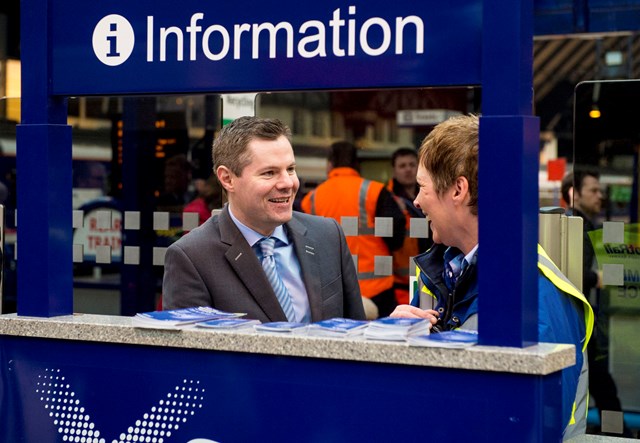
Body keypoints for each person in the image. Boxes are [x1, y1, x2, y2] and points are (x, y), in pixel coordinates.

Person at [390, 114, 594, 440]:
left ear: (458, 189)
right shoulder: (443, 272)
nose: (416, 200)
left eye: (422, 186)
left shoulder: (533, 297)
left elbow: (519, 427)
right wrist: (393, 343)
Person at [163, 117, 365, 323]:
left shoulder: (328, 235)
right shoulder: (191, 257)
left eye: (291, 169)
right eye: (269, 173)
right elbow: (191, 353)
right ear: (227, 179)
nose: (288, 183)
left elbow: (355, 331)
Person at [300, 141, 406, 318]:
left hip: (332, 290)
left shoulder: (311, 198)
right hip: (378, 290)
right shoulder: (375, 191)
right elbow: (396, 238)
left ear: (330, 165)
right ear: (357, 164)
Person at [562, 170, 628, 435]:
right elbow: (569, 271)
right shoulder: (575, 225)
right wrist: (598, 277)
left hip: (583, 321)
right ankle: (618, 433)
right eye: (593, 190)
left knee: (600, 385)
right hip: (579, 322)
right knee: (602, 386)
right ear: (573, 193)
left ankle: (616, 432)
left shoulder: (585, 224)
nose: (600, 196)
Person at [387, 147, 431, 304]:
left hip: (429, 270)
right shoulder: (387, 199)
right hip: (401, 280)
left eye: (412, 165)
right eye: (402, 166)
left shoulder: (430, 194)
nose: (408, 170)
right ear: (394, 170)